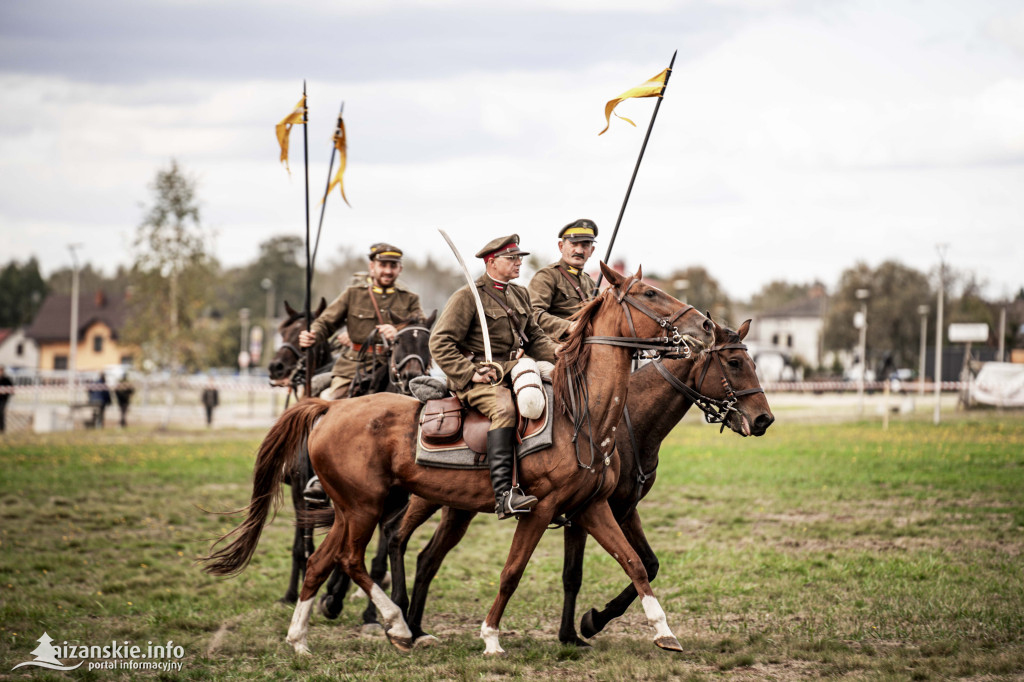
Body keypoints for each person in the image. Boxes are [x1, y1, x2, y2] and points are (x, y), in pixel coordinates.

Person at [429, 234, 558, 519]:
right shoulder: (467, 296)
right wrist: (469, 373)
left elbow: (534, 336)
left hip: (513, 371)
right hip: (479, 379)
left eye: (519, 258)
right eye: (511, 259)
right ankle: (505, 495)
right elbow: (439, 342)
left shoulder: (519, 294)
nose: (518, 263)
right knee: (505, 409)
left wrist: (559, 359)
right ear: (491, 262)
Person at [298, 242, 423, 400]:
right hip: (354, 366)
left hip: (396, 367)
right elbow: (325, 322)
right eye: (383, 265)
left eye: (393, 266)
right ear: (372, 266)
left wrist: (398, 333)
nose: (388, 271)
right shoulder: (353, 294)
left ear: (400, 269)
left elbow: (421, 331)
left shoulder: (410, 299)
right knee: (331, 407)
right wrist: (313, 334)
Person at [528, 218, 599, 341]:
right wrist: (568, 326)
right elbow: (532, 313)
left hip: (587, 347)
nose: (579, 250)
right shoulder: (547, 276)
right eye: (574, 244)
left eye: (585, 245)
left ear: (591, 251)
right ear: (561, 246)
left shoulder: (591, 284)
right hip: (553, 349)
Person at [0, 365, 12, 433]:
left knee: (1, 413)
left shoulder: (6, 380)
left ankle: (2, 429)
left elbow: (11, 389)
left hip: (3, 400)